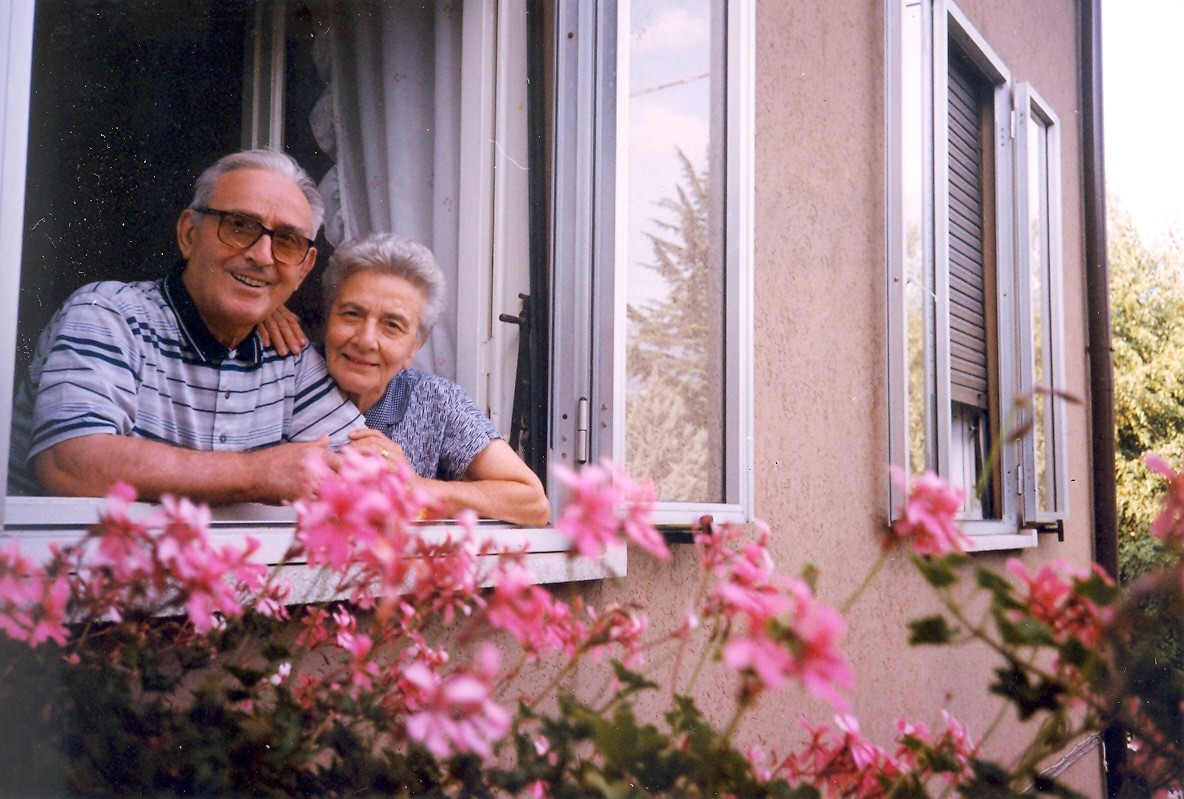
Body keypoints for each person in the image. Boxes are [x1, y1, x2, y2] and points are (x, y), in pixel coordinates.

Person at [7, 149, 365, 504]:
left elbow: (362, 477)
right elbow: (71, 463)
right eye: (239, 226)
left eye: (287, 240)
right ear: (189, 234)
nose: (261, 256)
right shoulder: (109, 314)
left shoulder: (289, 354)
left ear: (304, 269)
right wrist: (254, 473)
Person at [261, 232, 550, 527]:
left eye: (392, 325)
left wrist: (415, 488)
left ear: (416, 345)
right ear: (327, 318)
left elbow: (532, 501)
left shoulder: (435, 400)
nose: (366, 340)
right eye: (351, 314)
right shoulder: (286, 370)